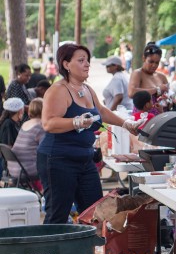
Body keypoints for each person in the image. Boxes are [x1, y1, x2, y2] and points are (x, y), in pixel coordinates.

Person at [38, 43, 140, 230]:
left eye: (88, 61)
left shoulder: (87, 89)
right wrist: (75, 122)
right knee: (58, 214)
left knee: (94, 214)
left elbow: (101, 111)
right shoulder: (58, 90)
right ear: (66, 64)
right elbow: (48, 123)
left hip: (84, 160)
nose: (87, 65)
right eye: (81, 60)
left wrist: (125, 124)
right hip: (58, 160)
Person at [8, 98, 45, 189]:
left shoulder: (25, 124)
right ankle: (44, 195)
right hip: (27, 170)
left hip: (14, 168)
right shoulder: (40, 127)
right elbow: (45, 151)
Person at [128, 42, 170, 115]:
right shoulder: (138, 73)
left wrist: (168, 101)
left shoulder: (161, 76)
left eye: (157, 63)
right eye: (151, 62)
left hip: (161, 118)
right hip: (143, 120)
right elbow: (131, 93)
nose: (154, 65)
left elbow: (169, 96)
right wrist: (157, 89)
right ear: (144, 58)